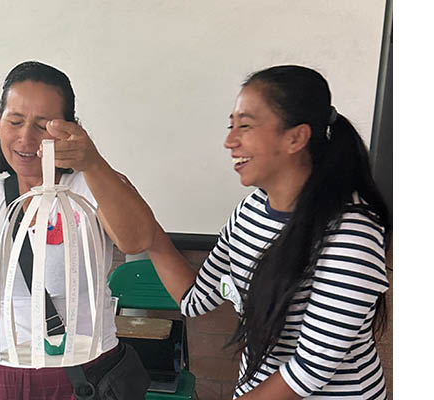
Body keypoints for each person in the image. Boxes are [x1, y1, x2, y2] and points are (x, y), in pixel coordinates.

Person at [146, 65, 391, 399]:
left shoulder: (351, 233)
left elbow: (311, 367)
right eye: (231, 126)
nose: (230, 141)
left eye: (245, 126)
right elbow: (196, 299)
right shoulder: (250, 211)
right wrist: (149, 233)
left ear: (295, 137)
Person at [0, 61, 155, 399]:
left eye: (42, 125)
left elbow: (137, 239)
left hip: (82, 372)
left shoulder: (90, 186)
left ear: (69, 130)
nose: (25, 137)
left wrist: (93, 161)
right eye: (15, 121)